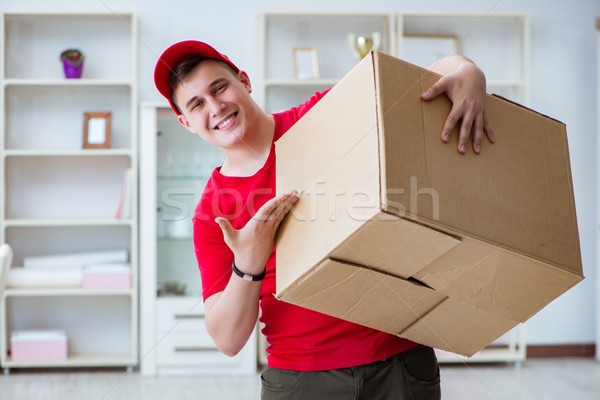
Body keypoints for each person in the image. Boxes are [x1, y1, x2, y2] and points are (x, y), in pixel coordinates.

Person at [154, 40, 494, 399]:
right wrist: (248, 264)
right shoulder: (212, 213)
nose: (215, 107)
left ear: (244, 81)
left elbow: (417, 77)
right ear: (185, 122)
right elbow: (227, 340)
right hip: (301, 380)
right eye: (197, 104)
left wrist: (468, 70)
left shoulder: (317, 117)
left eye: (219, 87)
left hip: (400, 362)